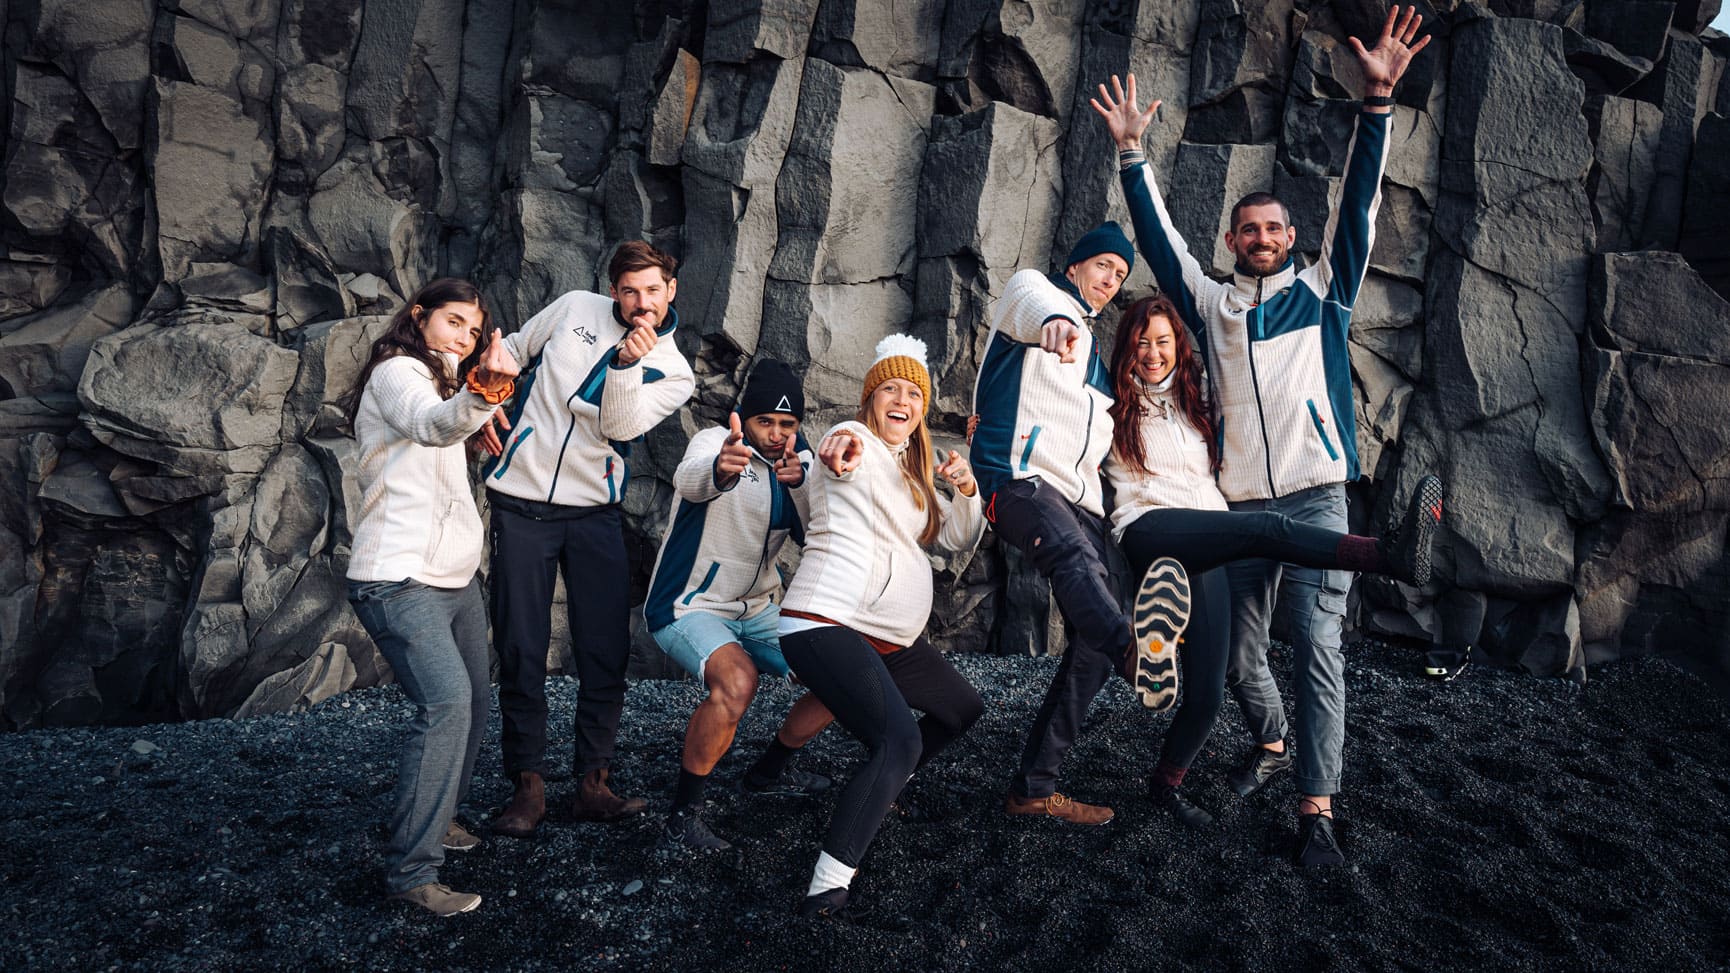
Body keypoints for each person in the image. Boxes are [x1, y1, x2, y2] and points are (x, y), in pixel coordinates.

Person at [1094, 5, 1433, 863]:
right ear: (1234, 242)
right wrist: (1132, 155)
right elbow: (1159, 241)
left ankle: (1316, 809)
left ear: (1291, 238)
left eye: (1275, 228)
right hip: (1238, 499)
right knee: (1241, 657)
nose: (1261, 238)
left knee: (1316, 643)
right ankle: (1273, 741)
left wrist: (1378, 102)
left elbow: (1359, 202)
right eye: (1248, 230)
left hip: (1319, 492)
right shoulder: (1211, 307)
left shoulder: (1324, 293)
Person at [1102, 295, 1442, 837]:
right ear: (1126, 348)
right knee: (1266, 531)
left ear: (1177, 346)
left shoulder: (1196, 401)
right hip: (1149, 526)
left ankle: (1164, 784)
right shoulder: (1107, 399)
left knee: (1209, 692)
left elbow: (1263, 391)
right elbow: (1056, 398)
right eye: (1141, 342)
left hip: (1203, 536)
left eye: (1163, 340)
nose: (1152, 352)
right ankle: (1382, 555)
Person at [482, 241, 696, 837]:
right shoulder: (575, 306)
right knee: (522, 644)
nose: (640, 303)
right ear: (613, 290)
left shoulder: (675, 371)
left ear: (670, 290)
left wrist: (627, 367)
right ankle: (528, 785)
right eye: (629, 291)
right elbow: (512, 354)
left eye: (652, 290)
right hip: (520, 503)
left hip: (594, 511)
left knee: (603, 648)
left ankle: (592, 784)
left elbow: (620, 425)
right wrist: (486, 409)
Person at [781, 335, 986, 919]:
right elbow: (836, 453)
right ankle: (827, 887)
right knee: (901, 740)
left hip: (888, 638)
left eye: (913, 393)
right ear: (871, 399)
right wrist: (837, 451)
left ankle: (878, 785)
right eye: (889, 390)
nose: (902, 400)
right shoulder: (856, 442)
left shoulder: (915, 472)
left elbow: (954, 540)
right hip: (826, 620)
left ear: (923, 406)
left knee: (963, 710)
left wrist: (965, 490)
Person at [342, 278, 519, 916]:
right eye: (453, 323)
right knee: (445, 707)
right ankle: (412, 874)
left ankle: (437, 816)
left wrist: (471, 427)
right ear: (419, 317)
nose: (464, 339)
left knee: (470, 701)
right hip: (397, 575)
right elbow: (425, 421)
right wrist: (485, 391)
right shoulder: (397, 371)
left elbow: (439, 433)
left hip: (453, 580)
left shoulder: (447, 387)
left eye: (473, 331)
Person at [970, 219, 1143, 826]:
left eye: (1119, 275)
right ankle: (1136, 654)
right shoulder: (1036, 297)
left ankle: (1033, 789)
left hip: (1081, 501)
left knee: (1088, 645)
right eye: (1102, 266)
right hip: (1018, 479)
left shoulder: (1099, 363)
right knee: (1076, 567)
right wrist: (1056, 322)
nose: (1109, 280)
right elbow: (1028, 302)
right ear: (1074, 267)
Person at [644, 359, 837, 851]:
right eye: (764, 422)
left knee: (843, 671)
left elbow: (824, 534)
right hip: (690, 607)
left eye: (787, 424)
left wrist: (803, 487)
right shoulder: (714, 444)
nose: (774, 434)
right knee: (737, 682)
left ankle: (769, 771)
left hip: (757, 608)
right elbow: (691, 479)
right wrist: (720, 470)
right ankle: (682, 816)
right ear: (743, 419)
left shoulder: (800, 463)